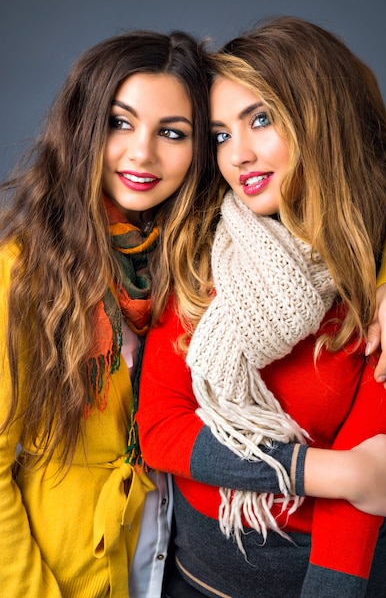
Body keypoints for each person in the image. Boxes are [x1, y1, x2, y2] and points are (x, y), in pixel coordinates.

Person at [138, 16, 386, 598]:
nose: (237, 155)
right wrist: (315, 472)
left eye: (260, 120)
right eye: (219, 135)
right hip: (195, 577)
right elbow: (161, 428)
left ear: (321, 119)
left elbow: (369, 494)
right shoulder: (200, 249)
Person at [0, 29, 218, 597]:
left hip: (179, 564)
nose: (142, 153)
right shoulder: (23, 269)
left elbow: (341, 203)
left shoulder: (205, 252)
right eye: (119, 123)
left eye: (172, 133)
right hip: (61, 574)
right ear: (82, 127)